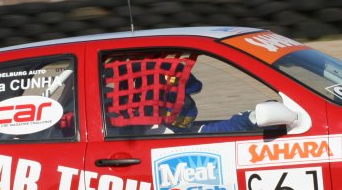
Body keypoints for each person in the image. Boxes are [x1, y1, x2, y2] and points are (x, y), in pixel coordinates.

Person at [102, 53, 258, 135]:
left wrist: (246, 120)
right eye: (184, 98)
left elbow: (205, 131)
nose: (187, 103)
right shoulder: (150, 132)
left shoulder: (147, 126)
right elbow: (210, 132)